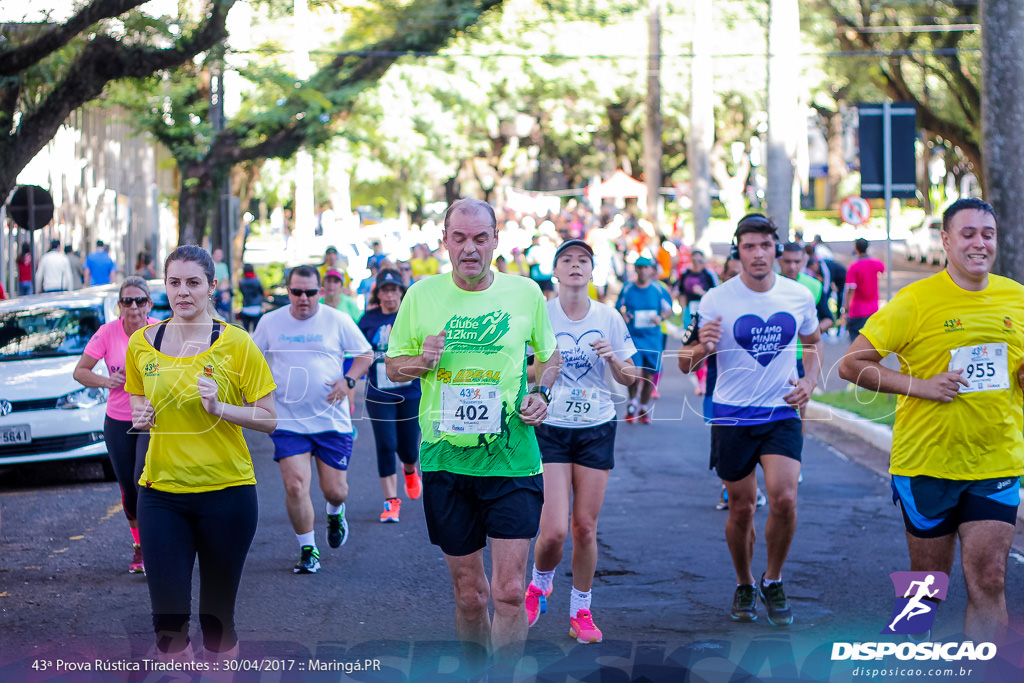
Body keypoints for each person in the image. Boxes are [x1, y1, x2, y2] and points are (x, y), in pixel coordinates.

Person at [386, 198, 560, 673]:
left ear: (495, 241)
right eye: (459, 238)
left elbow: (548, 354)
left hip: (512, 457)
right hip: (447, 461)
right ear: (444, 241)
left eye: (480, 237)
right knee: (470, 596)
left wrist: (540, 391)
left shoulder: (525, 293)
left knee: (506, 592)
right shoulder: (421, 296)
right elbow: (393, 367)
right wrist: (422, 360)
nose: (469, 248)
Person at [838, 198, 1024, 642]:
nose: (980, 243)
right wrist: (920, 385)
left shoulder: (1017, 299)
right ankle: (911, 659)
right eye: (968, 233)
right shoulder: (915, 301)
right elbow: (851, 365)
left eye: (988, 234)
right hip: (927, 462)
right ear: (945, 240)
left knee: (991, 579)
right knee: (926, 590)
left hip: (994, 460)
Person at [125, 245, 277, 662]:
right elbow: (138, 405)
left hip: (226, 495)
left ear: (212, 287)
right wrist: (142, 415)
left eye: (193, 283)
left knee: (216, 623)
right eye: (174, 283)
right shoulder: (142, 344)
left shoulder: (236, 343)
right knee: (169, 628)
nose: (183, 292)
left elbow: (269, 419)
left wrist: (219, 408)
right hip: (161, 494)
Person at [678, 213, 822, 626]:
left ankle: (772, 579)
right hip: (732, 416)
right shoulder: (715, 299)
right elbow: (686, 363)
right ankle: (744, 582)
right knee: (741, 508)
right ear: (737, 251)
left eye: (765, 245)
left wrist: (810, 381)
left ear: (776, 249)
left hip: (781, 412)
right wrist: (703, 346)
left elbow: (813, 344)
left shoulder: (798, 296)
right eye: (749, 246)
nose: (758, 254)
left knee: (784, 498)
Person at [526, 239, 639, 645]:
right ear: (555, 272)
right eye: (567, 260)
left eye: (583, 261)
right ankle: (539, 584)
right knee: (554, 530)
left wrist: (612, 359)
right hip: (552, 428)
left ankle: (581, 610)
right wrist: (538, 381)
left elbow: (630, 377)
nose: (575, 266)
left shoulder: (608, 317)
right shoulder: (541, 314)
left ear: (592, 273)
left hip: (596, 427)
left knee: (585, 528)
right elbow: (531, 368)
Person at [252, 266, 372, 574]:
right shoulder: (270, 322)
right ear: (287, 291)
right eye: (296, 292)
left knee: (336, 490)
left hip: (331, 422)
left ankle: (335, 512)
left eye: (310, 292)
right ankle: (308, 548)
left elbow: (365, 354)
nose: (303, 299)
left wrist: (348, 381)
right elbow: (250, 360)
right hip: (288, 421)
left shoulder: (337, 320)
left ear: (320, 291)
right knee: (295, 486)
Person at [73, 276, 157, 574]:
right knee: (129, 487)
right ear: (119, 305)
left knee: (143, 480)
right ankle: (139, 546)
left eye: (140, 301)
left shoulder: (160, 331)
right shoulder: (107, 333)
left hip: (152, 420)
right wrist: (107, 381)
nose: (133, 307)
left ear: (149, 303)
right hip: (119, 420)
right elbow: (80, 372)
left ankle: (157, 544)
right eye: (127, 301)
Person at [357, 268, 422, 523]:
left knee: (407, 448)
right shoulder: (368, 319)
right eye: (385, 290)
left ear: (400, 292)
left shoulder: (412, 317)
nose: (389, 295)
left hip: (409, 391)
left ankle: (409, 470)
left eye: (394, 289)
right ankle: (391, 502)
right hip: (378, 392)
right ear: (378, 293)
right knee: (385, 446)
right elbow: (358, 351)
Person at [616, 256, 672, 423]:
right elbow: (619, 306)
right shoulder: (627, 288)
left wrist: (660, 317)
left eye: (645, 267)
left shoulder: (658, 289)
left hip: (653, 339)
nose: (642, 270)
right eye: (639, 267)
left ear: (651, 270)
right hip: (633, 338)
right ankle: (632, 404)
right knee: (634, 373)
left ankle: (643, 407)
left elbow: (669, 310)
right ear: (635, 269)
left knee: (650, 375)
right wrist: (624, 314)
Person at [677, 250, 720, 395]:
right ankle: (700, 381)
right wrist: (684, 309)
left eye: (700, 260)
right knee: (693, 347)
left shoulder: (709, 275)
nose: (697, 263)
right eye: (694, 260)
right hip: (691, 313)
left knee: (707, 346)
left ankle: (707, 378)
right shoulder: (685, 274)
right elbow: (681, 292)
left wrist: (702, 292)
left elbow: (716, 294)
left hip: (707, 314)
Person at [843, 237, 885, 341]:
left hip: (857, 311)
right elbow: (882, 270)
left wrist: (845, 310)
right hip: (873, 309)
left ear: (855, 249)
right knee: (870, 342)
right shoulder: (876, 263)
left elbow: (850, 291)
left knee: (856, 343)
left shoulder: (854, 267)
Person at [237, 263, 264, 333]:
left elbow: (241, 291)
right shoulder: (256, 281)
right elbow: (261, 292)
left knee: (245, 331)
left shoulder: (241, 281)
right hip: (256, 308)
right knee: (256, 331)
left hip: (246, 308)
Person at [211, 248, 232, 320]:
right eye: (217, 254)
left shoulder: (223, 266)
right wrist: (218, 287)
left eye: (220, 254)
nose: (219, 256)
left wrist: (223, 289)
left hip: (221, 293)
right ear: (213, 255)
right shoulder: (210, 265)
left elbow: (225, 279)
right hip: (213, 293)